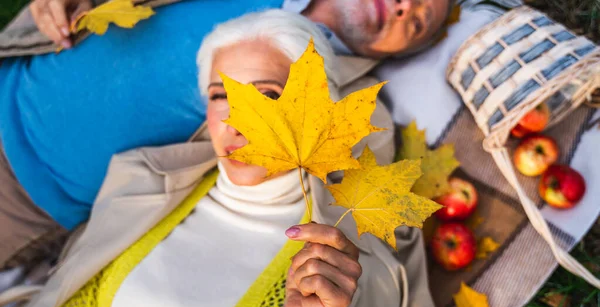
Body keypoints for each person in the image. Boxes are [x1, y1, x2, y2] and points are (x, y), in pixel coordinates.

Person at [0, 10, 454, 307]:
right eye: (222, 95)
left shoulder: (343, 251)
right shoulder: (141, 184)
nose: (239, 120)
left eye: (267, 95)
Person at [0, 0, 452, 271]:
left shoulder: (343, 110)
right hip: (13, 73)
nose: (402, 7)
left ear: (400, 55)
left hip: (26, 198)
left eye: (415, 22)